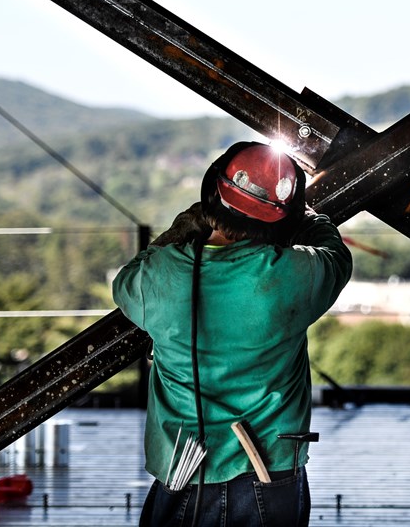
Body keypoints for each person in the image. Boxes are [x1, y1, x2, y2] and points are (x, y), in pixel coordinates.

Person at [112, 141, 352, 526]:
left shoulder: (157, 276)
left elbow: (130, 274)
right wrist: (306, 216)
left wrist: (191, 222)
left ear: (211, 198)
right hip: (270, 468)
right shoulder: (295, 275)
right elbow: (334, 253)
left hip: (182, 470)